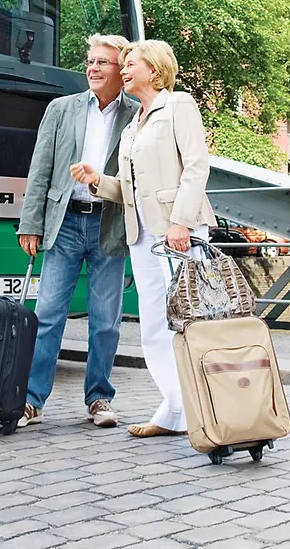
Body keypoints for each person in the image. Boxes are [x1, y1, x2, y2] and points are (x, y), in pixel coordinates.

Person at [70, 39, 216, 438]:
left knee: (189, 323)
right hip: (142, 235)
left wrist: (182, 223)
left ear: (154, 70)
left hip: (177, 230)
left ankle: (207, 410)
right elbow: (131, 189)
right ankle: (175, 410)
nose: (124, 69)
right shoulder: (135, 121)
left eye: (131, 63)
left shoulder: (179, 106)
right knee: (154, 325)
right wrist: (98, 181)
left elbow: (196, 168)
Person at [16, 34, 138, 428]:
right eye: (90, 61)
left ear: (122, 70)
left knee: (106, 320)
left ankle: (99, 398)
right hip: (65, 220)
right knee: (49, 314)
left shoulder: (137, 114)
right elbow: (40, 170)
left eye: (103, 62)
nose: (93, 68)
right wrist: (30, 223)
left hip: (110, 224)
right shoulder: (60, 109)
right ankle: (31, 400)